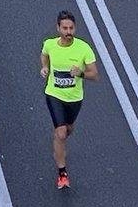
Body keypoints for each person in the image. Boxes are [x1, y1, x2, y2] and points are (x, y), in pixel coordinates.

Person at [41, 11, 99, 189]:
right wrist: (44, 68)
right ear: (58, 28)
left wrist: (80, 73)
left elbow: (95, 75)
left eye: (71, 28)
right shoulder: (50, 45)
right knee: (60, 133)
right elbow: (44, 55)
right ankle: (62, 172)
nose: (68, 31)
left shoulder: (83, 49)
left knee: (68, 129)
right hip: (54, 94)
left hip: (74, 98)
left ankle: (61, 139)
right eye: (64, 28)